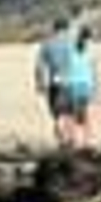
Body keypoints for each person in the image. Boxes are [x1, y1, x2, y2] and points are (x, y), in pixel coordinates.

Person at [34, 18, 78, 148]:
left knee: (58, 115)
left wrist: (40, 83)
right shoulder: (72, 44)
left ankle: (62, 141)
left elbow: (39, 66)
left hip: (55, 83)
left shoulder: (47, 44)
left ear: (54, 29)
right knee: (70, 115)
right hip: (72, 82)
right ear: (66, 29)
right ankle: (71, 141)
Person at [65, 27, 99, 149]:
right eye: (87, 39)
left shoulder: (91, 51)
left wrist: (96, 87)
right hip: (73, 85)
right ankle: (77, 141)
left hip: (86, 85)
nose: (88, 42)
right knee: (75, 116)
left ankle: (87, 141)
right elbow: (67, 68)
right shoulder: (71, 50)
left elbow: (94, 70)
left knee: (87, 115)